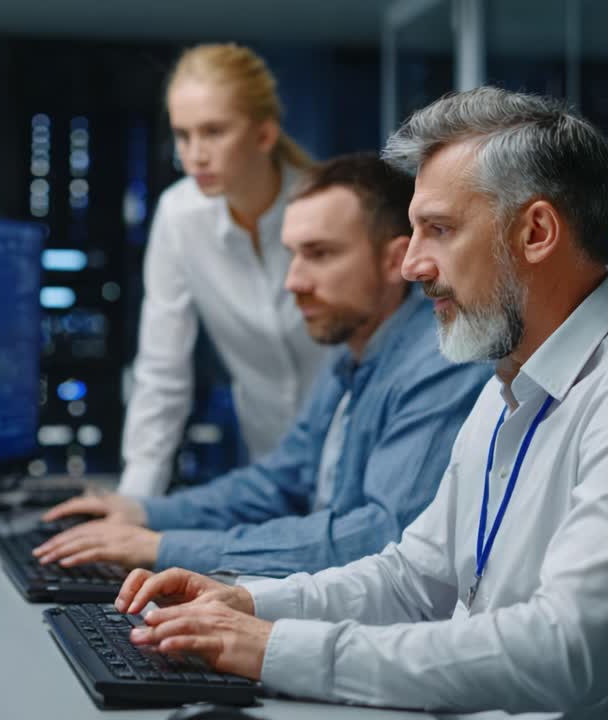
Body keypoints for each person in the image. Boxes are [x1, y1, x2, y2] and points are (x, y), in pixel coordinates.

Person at [109, 87, 608, 718]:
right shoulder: (506, 388)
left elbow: (561, 651)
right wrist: (250, 602)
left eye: (439, 230)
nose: (411, 265)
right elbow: (411, 578)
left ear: (536, 231)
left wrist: (274, 649)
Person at [34, 153, 492, 576]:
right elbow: (281, 481)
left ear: (396, 261)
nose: (293, 281)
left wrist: (161, 548)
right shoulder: (352, 353)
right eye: (291, 254)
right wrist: (144, 515)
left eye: (319, 254)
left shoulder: (442, 360)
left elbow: (378, 541)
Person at [118, 42, 328, 497]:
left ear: (264, 135)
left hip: (360, 461)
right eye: (183, 135)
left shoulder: (328, 208)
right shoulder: (178, 217)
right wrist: (134, 503)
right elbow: (161, 374)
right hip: (270, 471)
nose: (195, 155)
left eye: (213, 132)